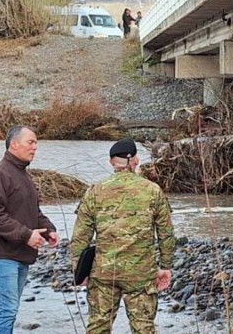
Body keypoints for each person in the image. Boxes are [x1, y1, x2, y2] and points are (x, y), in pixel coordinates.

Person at [70, 138, 175, 334]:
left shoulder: (95, 191)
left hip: (103, 273)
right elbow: (166, 234)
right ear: (135, 160)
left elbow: (80, 236)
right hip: (141, 274)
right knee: (143, 328)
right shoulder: (153, 191)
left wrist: (79, 271)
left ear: (111, 162)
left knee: (98, 328)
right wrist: (166, 267)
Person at [0, 125, 59, 334]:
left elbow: (34, 212)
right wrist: (26, 235)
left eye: (36, 143)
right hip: (1, 254)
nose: (35, 148)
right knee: (6, 310)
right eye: (30, 142)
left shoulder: (23, 176)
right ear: (14, 144)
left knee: (11, 310)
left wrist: (48, 230)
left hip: (20, 255)